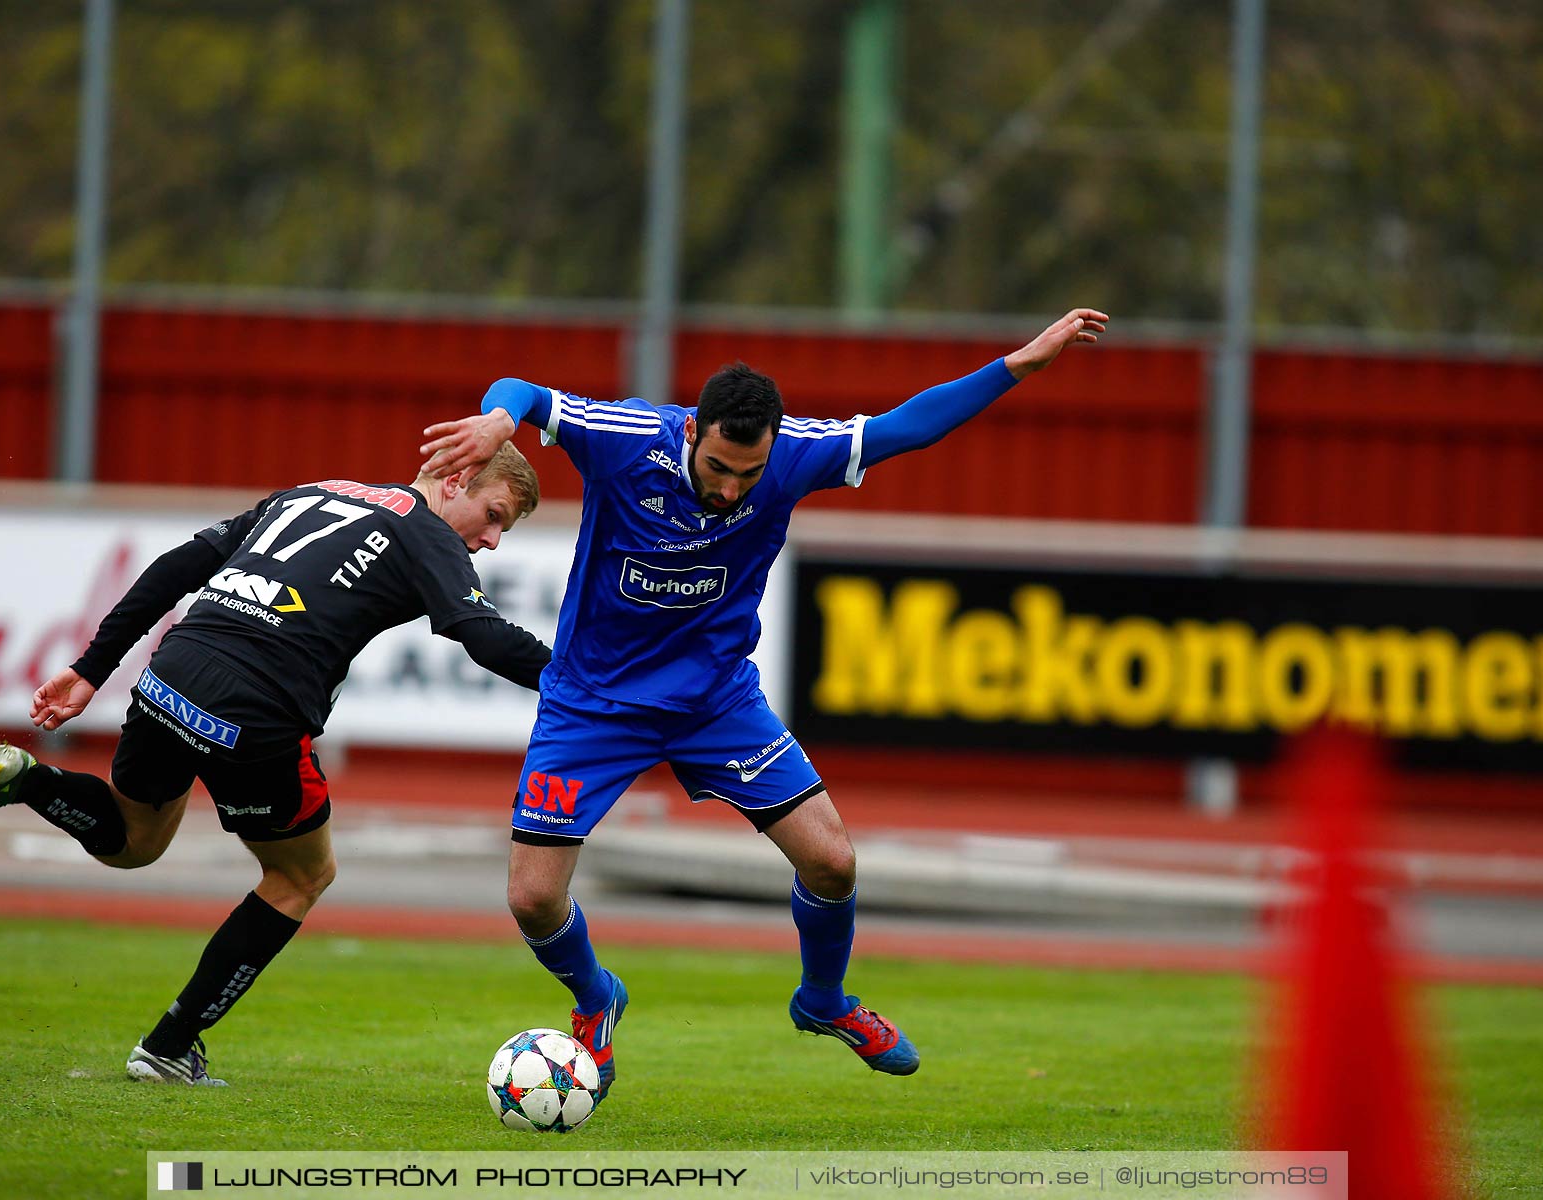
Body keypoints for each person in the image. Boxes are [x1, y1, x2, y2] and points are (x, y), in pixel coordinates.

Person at [418, 308, 1109, 1101]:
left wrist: (1018, 364)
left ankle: (823, 1000)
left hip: (716, 702)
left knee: (833, 859)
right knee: (532, 897)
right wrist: (501, 416)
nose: (731, 486)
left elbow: (909, 428)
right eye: (718, 466)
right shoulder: (627, 438)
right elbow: (530, 393)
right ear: (692, 434)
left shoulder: (794, 457)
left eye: (748, 473)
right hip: (594, 703)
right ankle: (596, 997)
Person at [0, 445, 553, 1087]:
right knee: (301, 875)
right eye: (495, 514)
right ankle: (169, 1046)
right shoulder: (425, 530)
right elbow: (483, 633)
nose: (494, 540)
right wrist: (587, 688)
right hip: (258, 709)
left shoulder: (316, 490)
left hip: (172, 674)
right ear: (456, 481)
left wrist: (91, 669)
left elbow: (177, 568)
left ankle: (28, 779)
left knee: (134, 842)